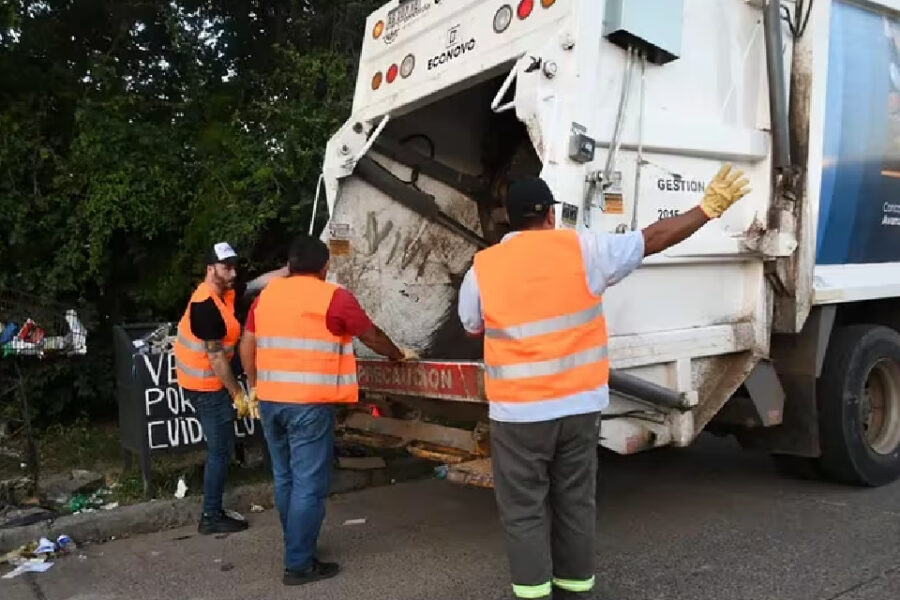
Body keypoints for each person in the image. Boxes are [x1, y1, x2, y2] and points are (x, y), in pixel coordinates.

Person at [457, 165, 751, 600]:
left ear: (508, 218)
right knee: (575, 502)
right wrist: (705, 210)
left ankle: (534, 595)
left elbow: (470, 326)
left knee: (524, 512)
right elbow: (653, 239)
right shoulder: (585, 250)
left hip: (518, 416)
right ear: (551, 216)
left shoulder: (483, 268)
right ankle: (575, 591)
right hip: (578, 408)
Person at [238, 234, 417, 586]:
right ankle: (299, 563)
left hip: (271, 402)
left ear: (288, 267)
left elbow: (247, 343)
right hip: (308, 406)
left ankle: (296, 547)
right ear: (324, 266)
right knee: (308, 483)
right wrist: (398, 355)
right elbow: (372, 336)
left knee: (285, 477)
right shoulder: (334, 297)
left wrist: (254, 385)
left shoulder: (266, 296)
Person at [173, 242, 285, 535]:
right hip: (206, 386)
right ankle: (210, 516)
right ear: (211, 269)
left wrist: (290, 271)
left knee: (221, 448)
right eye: (226, 267)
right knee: (220, 450)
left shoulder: (225, 293)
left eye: (234, 266)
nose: (233, 272)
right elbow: (216, 359)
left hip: (211, 381)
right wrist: (237, 394)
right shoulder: (205, 305)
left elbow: (256, 284)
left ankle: (213, 511)